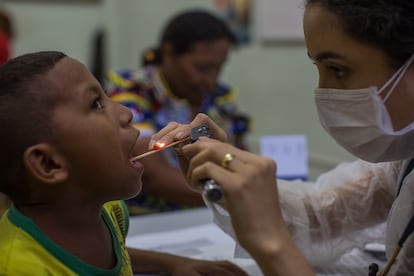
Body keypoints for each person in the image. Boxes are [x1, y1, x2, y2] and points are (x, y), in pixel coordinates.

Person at [149, 0, 414, 275]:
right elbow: (318, 215)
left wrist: (271, 243)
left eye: (337, 69)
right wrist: (225, 177)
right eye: (318, 68)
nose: (322, 91)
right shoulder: (404, 160)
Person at [0, 51, 250, 275]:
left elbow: (110, 255)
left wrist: (174, 264)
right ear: (48, 164)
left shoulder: (111, 212)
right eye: (96, 104)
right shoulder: (21, 268)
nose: (126, 113)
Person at [107, 9, 250, 215]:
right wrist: (230, 192)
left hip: (210, 216)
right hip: (148, 222)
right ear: (169, 52)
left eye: (218, 68)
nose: (210, 80)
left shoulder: (220, 99)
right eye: (201, 68)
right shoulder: (132, 92)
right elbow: (150, 174)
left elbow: (240, 160)